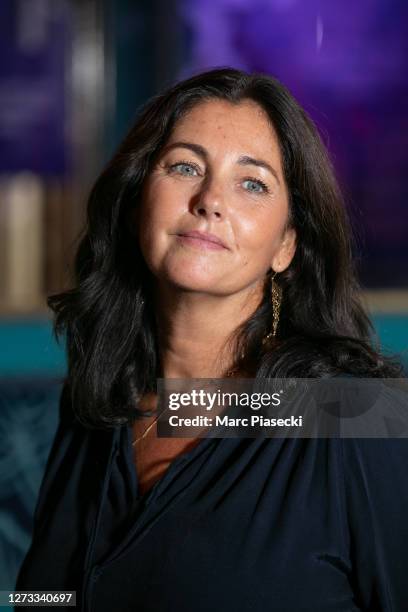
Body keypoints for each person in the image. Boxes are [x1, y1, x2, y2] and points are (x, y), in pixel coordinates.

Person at [16, 68, 408, 611]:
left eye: (253, 183)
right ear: (136, 206)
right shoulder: (96, 407)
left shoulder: (360, 421)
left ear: (286, 246)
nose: (210, 199)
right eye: (184, 166)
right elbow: (46, 595)